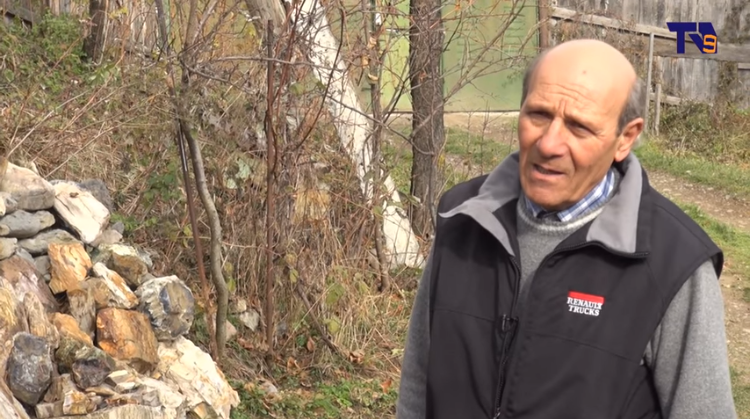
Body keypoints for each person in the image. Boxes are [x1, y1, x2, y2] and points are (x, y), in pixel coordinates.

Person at [395, 39, 737, 419]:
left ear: (625, 138)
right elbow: (418, 384)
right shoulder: (464, 219)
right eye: (538, 114)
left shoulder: (674, 264)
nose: (549, 143)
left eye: (579, 126)